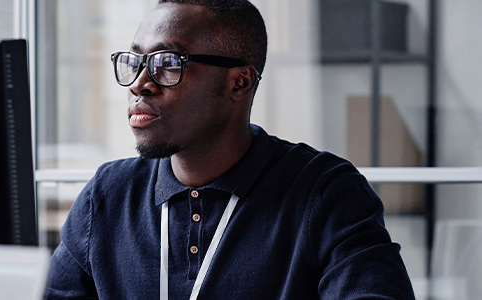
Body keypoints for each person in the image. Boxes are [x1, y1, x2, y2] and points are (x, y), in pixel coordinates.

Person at [45, 0, 416, 299]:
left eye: (167, 64)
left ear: (239, 82)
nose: (140, 84)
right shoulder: (108, 195)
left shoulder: (325, 193)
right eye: (136, 62)